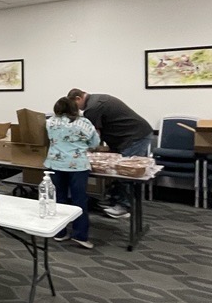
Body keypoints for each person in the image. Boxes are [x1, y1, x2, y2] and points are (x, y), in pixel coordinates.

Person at [67, 88, 153, 219]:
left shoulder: (92, 108)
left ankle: (124, 207)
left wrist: (87, 150)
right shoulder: (97, 99)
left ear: (78, 98)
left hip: (134, 137)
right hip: (131, 136)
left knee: (125, 172)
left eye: (74, 104)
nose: (76, 109)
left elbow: (94, 135)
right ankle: (115, 200)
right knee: (117, 171)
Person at [44, 97, 100, 249]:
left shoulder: (50, 122)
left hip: (55, 163)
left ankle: (59, 232)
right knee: (79, 200)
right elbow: (95, 143)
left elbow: (48, 139)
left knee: (58, 198)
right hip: (77, 166)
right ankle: (80, 235)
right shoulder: (85, 123)